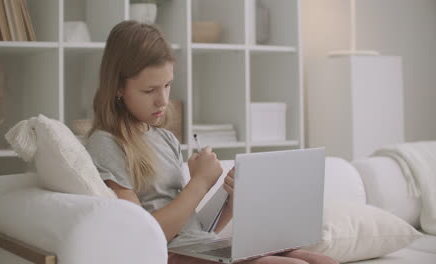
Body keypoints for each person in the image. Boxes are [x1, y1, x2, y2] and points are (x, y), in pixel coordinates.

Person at [85, 20, 338, 264]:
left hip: (200, 247)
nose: (163, 100)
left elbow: (190, 229)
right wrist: (200, 182)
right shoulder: (106, 144)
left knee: (321, 260)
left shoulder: (166, 139)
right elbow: (141, 235)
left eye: (167, 85)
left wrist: (229, 202)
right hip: (165, 254)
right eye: (149, 90)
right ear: (118, 87)